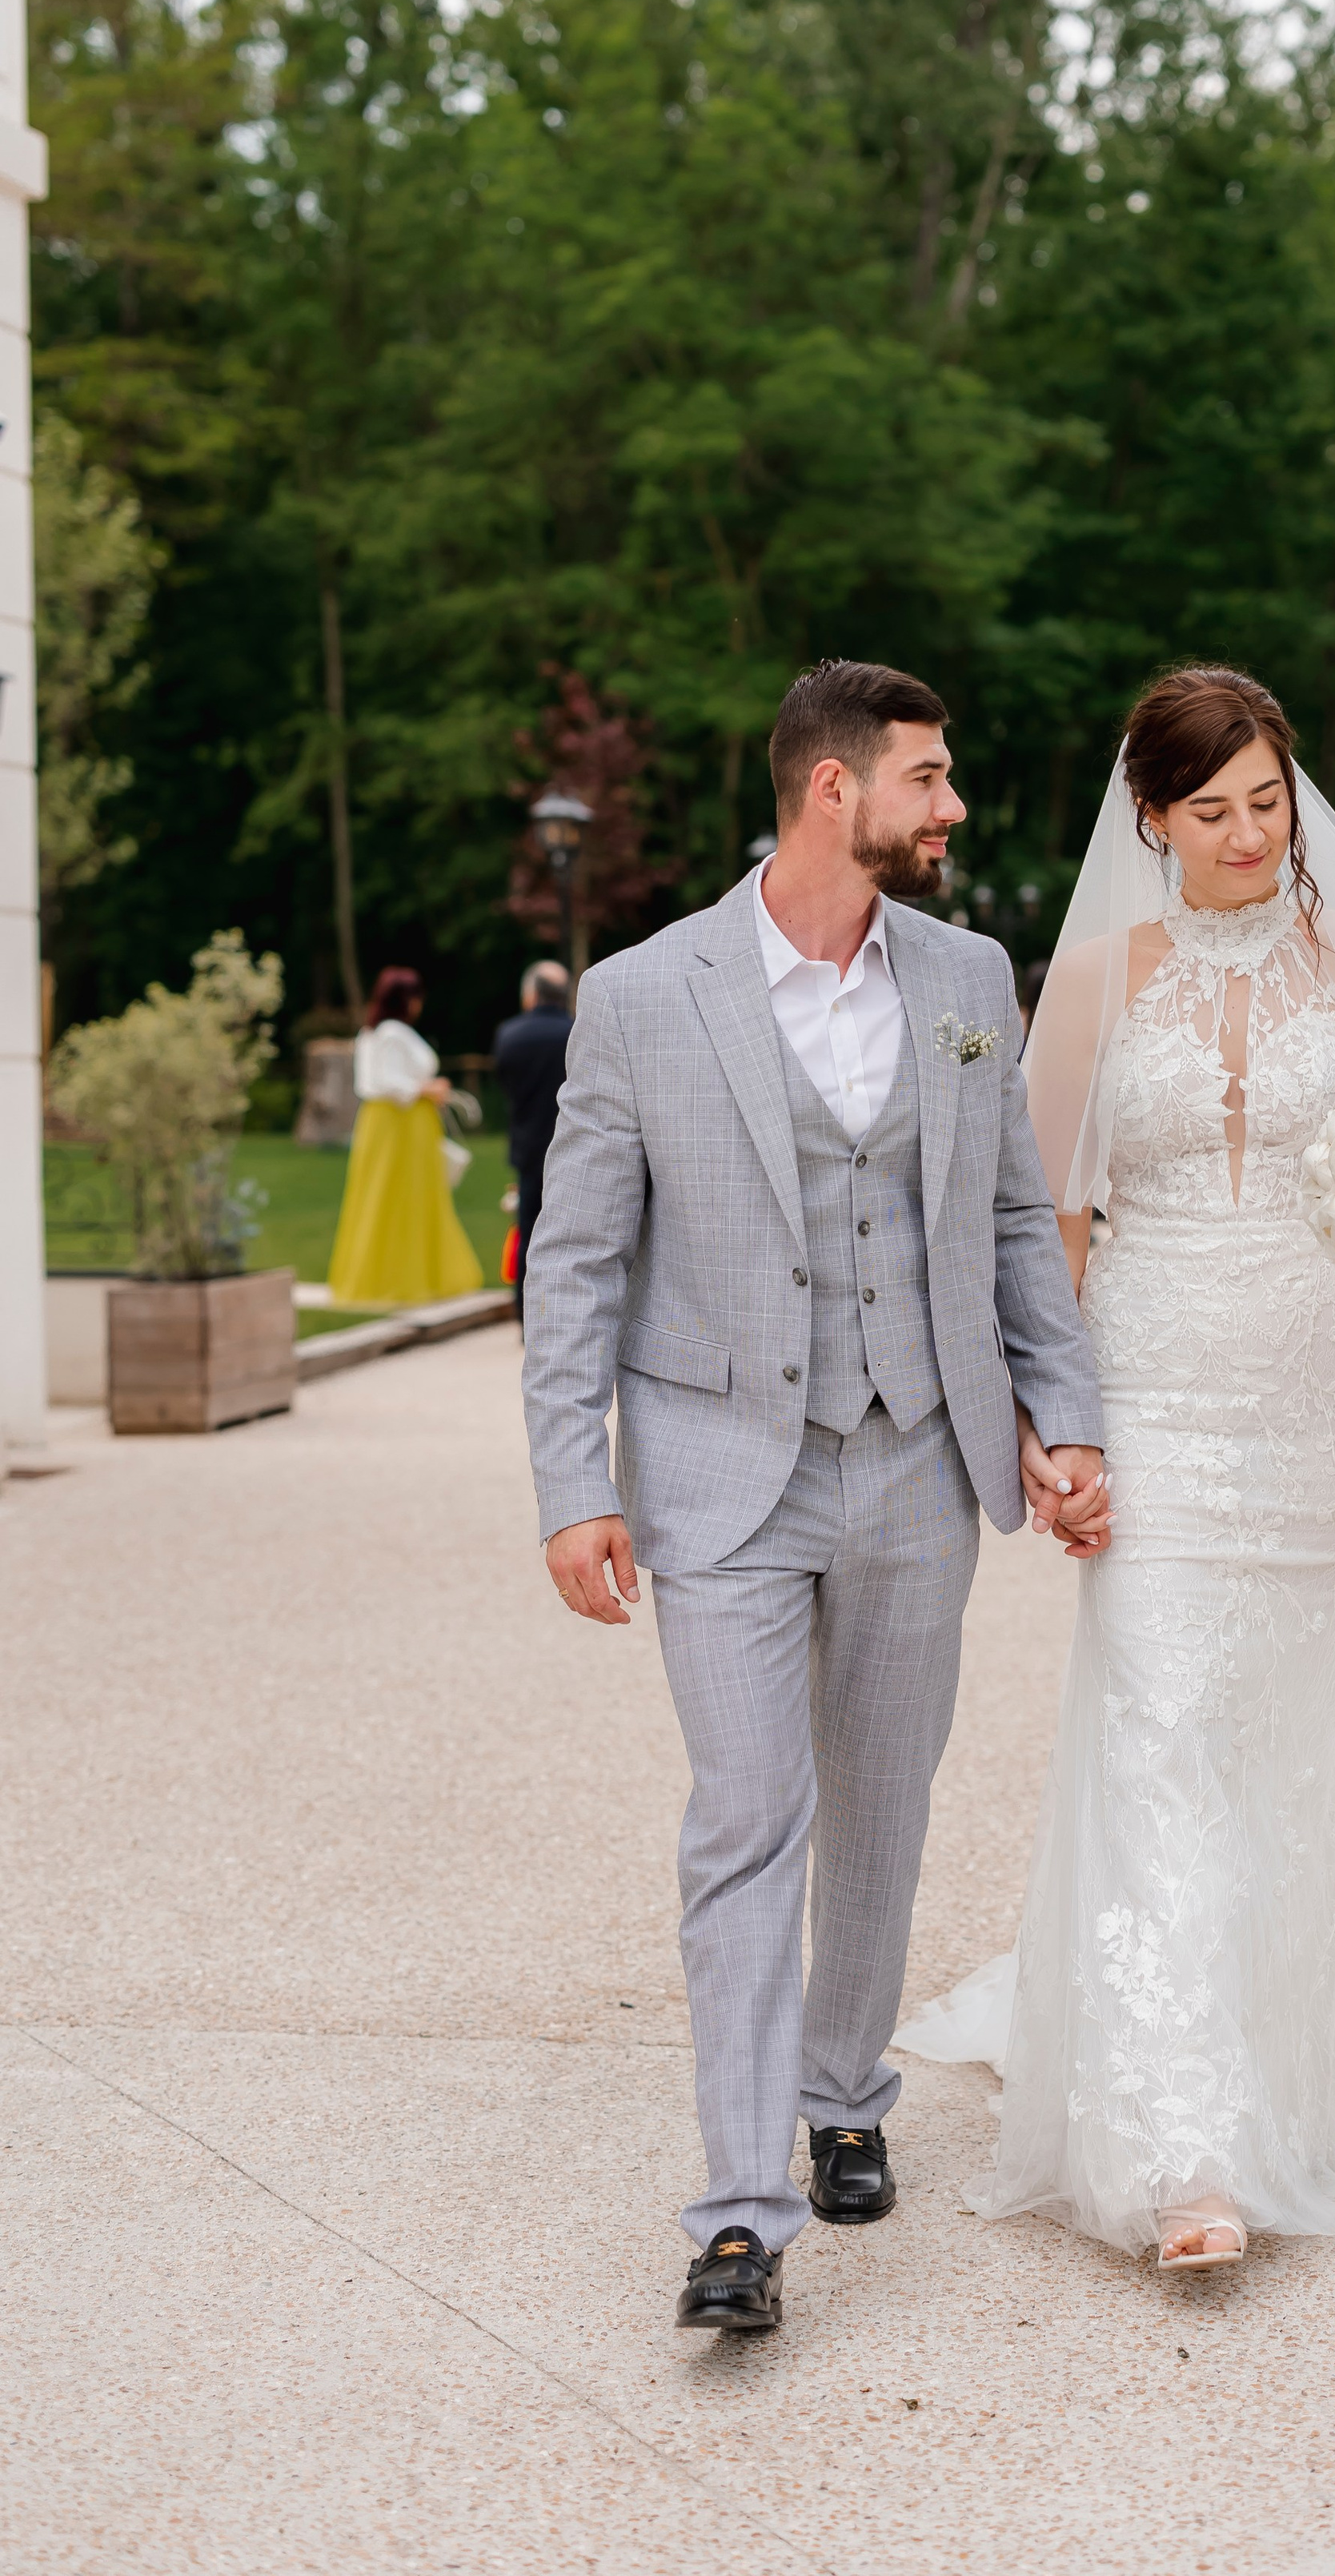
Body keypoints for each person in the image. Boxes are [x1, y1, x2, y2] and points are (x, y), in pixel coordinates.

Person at [896, 664, 1335, 2267]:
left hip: (1333, 1393)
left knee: (1304, 1717)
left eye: (1268, 800)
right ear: (1151, 819)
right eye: (1212, 810)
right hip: (1158, 1380)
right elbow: (1044, 1220)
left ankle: (1310, 2050)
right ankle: (1178, 2144)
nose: (1250, 834)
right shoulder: (1098, 977)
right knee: (1163, 1713)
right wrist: (1050, 1424)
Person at [519, 659, 1104, 2336]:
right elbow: (574, 1261)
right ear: (834, 791)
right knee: (743, 1816)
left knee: (883, 1803)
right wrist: (574, 1482)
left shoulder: (969, 974)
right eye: (929, 778)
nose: (953, 807)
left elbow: (1009, 1223)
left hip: (918, 1454)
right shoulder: (641, 994)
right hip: (718, 1484)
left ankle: (844, 2092)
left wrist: (1060, 1417)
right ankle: (736, 2214)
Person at [327, 967, 486, 1307]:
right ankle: (401, 1278)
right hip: (400, 1124)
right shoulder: (391, 1033)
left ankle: (393, 1275)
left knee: (389, 1196)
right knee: (401, 1197)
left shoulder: (372, 1033)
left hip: (393, 1123)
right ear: (406, 1000)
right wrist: (428, 1088)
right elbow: (388, 1084)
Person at [492, 960, 575, 1322]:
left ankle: (527, 1316)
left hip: (528, 1146)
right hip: (573, 1146)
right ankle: (565, 1314)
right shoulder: (578, 1032)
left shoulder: (510, 1035)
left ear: (531, 995)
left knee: (529, 1232)